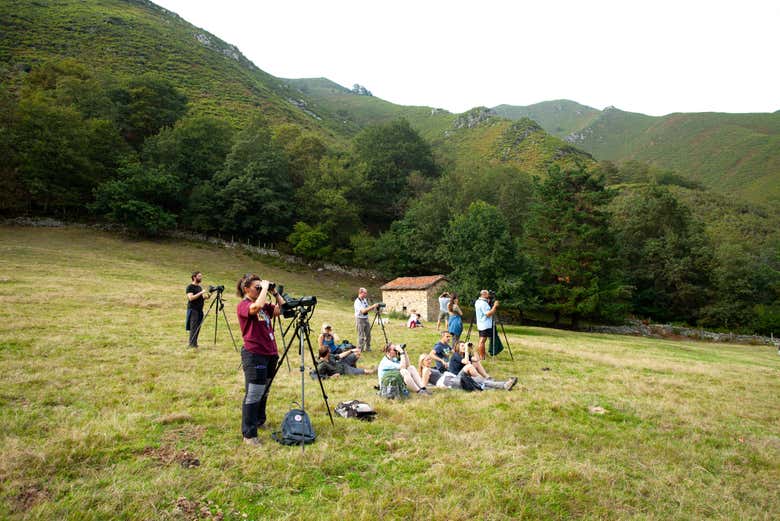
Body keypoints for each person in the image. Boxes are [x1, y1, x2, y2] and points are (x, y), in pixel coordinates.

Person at [236, 273, 286, 446]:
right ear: (246, 289)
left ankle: (259, 420)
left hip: (270, 353)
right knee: (254, 393)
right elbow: (255, 308)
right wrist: (264, 288)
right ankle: (249, 435)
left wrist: (275, 293)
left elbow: (284, 309)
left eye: (260, 287)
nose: (259, 289)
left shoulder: (265, 306)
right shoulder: (244, 305)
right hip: (254, 353)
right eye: (256, 287)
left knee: (264, 390)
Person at [449, 341, 517, 390]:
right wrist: (467, 349)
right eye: (462, 346)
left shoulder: (465, 355)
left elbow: (477, 359)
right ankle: (485, 380)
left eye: (465, 345)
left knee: (475, 363)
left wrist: (473, 349)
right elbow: (466, 362)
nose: (464, 347)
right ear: (458, 348)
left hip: (465, 376)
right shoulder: (456, 355)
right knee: (469, 366)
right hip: (456, 378)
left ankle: (488, 377)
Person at [185, 271, 210, 348]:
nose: (201, 277)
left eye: (201, 276)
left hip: (200, 310)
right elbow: (191, 298)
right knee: (193, 327)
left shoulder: (199, 287)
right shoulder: (190, 287)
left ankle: (195, 344)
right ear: (194, 277)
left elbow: (200, 298)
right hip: (193, 310)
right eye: (199, 276)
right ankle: (191, 345)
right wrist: (201, 292)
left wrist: (207, 296)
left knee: (198, 327)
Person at [475, 289, 499, 360]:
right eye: (488, 294)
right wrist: (494, 306)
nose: (489, 295)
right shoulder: (483, 303)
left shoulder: (478, 301)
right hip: (485, 324)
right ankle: (482, 357)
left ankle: (482, 354)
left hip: (481, 324)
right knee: (482, 341)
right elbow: (488, 314)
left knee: (482, 340)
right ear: (484, 294)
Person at [354, 287, 380, 352]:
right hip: (360, 319)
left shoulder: (364, 300)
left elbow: (367, 308)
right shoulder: (357, 302)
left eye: (366, 293)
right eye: (365, 293)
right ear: (360, 293)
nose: (366, 294)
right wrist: (373, 306)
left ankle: (368, 348)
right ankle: (360, 349)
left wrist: (375, 308)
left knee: (368, 334)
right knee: (361, 335)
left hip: (366, 318)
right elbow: (363, 311)